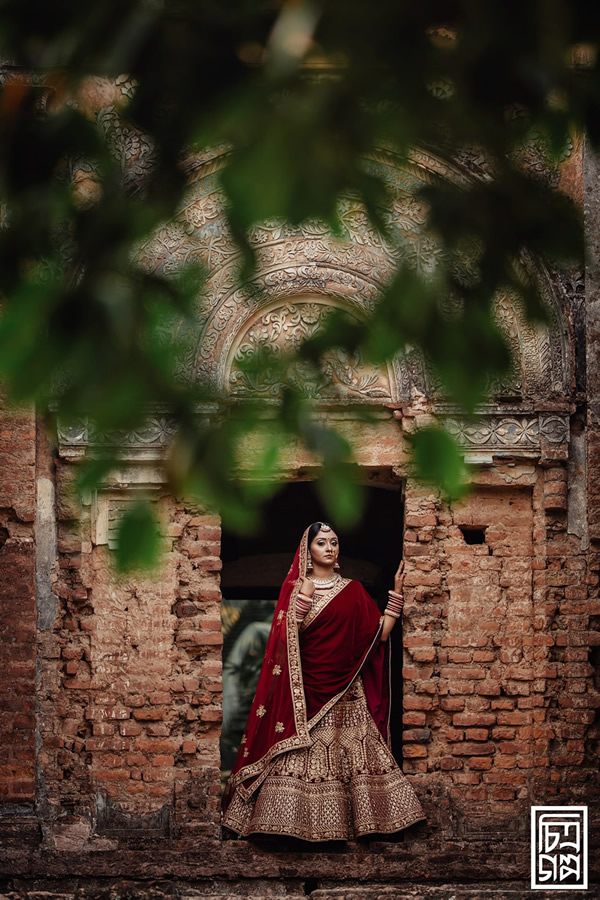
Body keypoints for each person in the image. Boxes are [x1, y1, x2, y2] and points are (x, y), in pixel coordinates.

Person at [221, 521, 426, 841]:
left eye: (334, 542)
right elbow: (288, 639)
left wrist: (396, 594)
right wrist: (303, 598)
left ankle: (364, 825)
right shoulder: (296, 589)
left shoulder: (354, 591)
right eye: (321, 543)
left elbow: (380, 636)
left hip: (347, 693)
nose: (330, 548)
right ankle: (284, 826)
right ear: (308, 550)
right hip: (306, 694)